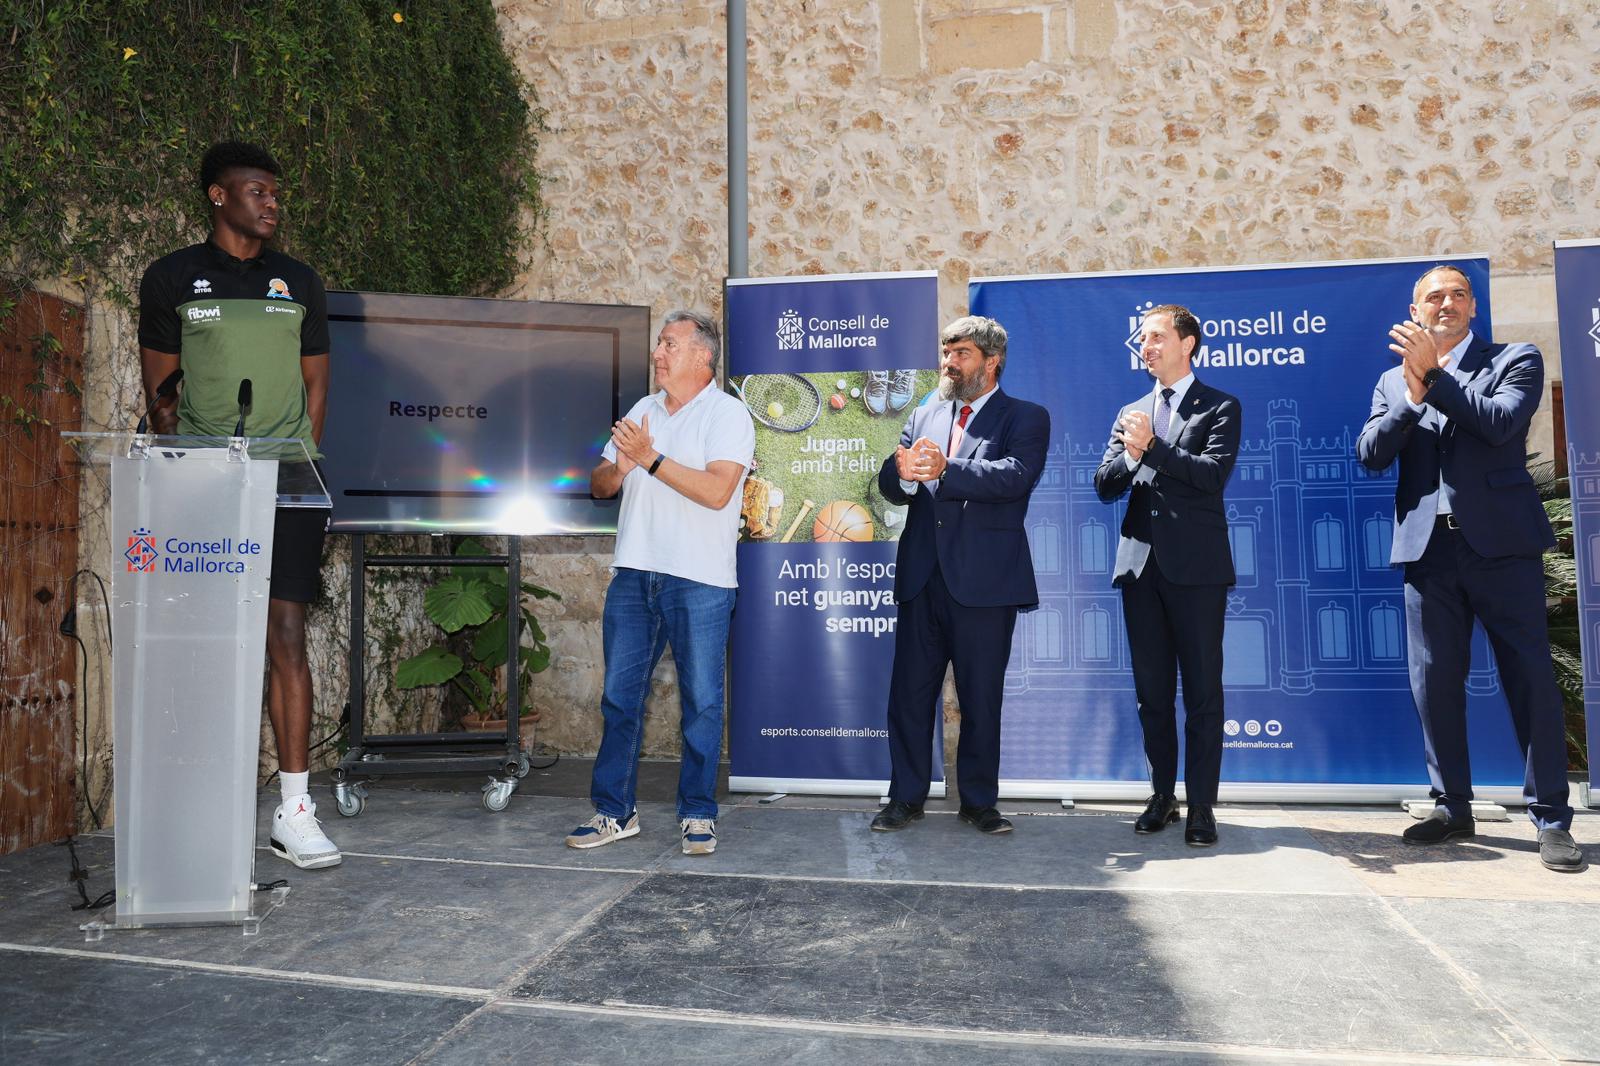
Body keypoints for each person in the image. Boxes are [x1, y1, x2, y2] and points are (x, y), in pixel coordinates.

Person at [138, 142, 338, 869]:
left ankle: (294, 810)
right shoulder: (170, 278)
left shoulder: (300, 281)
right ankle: (199, 804)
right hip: (204, 482)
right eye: (257, 191)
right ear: (219, 197)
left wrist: (297, 460)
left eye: (275, 194)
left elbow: (316, 387)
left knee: (284, 631)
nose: (272, 203)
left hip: (287, 480)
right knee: (205, 637)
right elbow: (162, 394)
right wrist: (190, 472)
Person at [1356, 265, 1583, 872]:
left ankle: (1553, 820)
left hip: (1502, 548)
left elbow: (1500, 424)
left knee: (1530, 681)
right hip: (1429, 552)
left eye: (1458, 294)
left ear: (1473, 307)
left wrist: (1433, 375)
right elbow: (1372, 454)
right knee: (1434, 685)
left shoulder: (1515, 358)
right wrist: (1409, 396)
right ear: (1416, 310)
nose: (1447, 302)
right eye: (1435, 296)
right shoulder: (1391, 380)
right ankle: (1451, 806)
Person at [566, 311, 754, 856]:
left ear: (703, 356)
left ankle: (698, 814)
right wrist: (622, 466)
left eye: (670, 344)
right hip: (633, 574)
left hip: (699, 579)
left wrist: (650, 459)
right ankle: (612, 813)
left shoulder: (727, 414)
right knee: (619, 700)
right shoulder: (643, 410)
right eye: (659, 344)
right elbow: (600, 486)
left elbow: (718, 491)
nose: (658, 353)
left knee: (701, 702)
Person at [870, 316, 1050, 835]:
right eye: (947, 352)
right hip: (923, 579)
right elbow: (890, 478)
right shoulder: (926, 411)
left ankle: (978, 802)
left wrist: (946, 469)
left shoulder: (1025, 416)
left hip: (985, 584)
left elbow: (1015, 478)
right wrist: (900, 473)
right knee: (908, 696)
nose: (949, 363)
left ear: (992, 362)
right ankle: (904, 797)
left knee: (980, 698)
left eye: (962, 354)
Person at [1094, 304, 1240, 847]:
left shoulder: (1221, 406)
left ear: (1188, 343)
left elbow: (1211, 475)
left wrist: (1153, 448)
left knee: (1202, 692)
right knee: (1152, 692)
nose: (1147, 347)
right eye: (1143, 340)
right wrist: (1132, 455)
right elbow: (1105, 483)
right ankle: (1163, 795)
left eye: (1157, 337)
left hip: (1197, 570)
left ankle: (1202, 805)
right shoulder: (1132, 409)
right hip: (1139, 568)